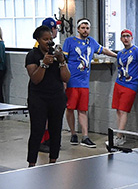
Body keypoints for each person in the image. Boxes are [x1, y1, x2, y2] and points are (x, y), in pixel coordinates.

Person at [61, 18, 115, 147]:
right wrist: (63, 80)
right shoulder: (70, 41)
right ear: (78, 29)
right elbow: (62, 60)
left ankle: (85, 136)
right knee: (70, 108)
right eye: (83, 28)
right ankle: (73, 133)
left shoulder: (92, 42)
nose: (85, 30)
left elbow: (104, 50)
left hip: (84, 82)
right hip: (72, 80)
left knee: (82, 110)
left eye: (87, 28)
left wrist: (117, 56)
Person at [26, 25, 69, 166]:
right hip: (38, 98)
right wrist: (44, 64)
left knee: (55, 130)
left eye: (51, 39)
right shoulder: (33, 55)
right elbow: (35, 79)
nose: (48, 42)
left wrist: (62, 61)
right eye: (45, 39)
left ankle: (53, 161)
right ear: (38, 40)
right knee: (37, 130)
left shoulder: (57, 54)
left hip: (56, 97)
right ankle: (31, 163)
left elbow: (66, 78)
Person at [107, 29, 138, 148]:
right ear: (120, 39)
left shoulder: (137, 51)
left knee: (124, 110)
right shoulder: (120, 53)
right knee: (118, 110)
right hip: (119, 83)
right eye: (123, 36)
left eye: (128, 36)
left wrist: (137, 81)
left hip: (130, 85)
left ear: (132, 38)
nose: (126, 38)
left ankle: (119, 136)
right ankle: (120, 134)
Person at [37, 17, 59, 152]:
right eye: (55, 28)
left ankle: (49, 139)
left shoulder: (52, 46)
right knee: (43, 119)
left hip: (53, 89)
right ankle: (42, 140)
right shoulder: (38, 49)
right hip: (42, 90)